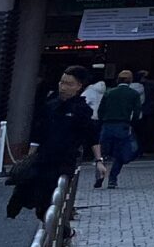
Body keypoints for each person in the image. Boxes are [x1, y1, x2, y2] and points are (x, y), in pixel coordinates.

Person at [7, 72, 95, 218]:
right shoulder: (50, 105)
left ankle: (63, 231)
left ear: (79, 86)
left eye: (69, 84)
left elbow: (91, 135)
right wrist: (30, 156)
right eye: (62, 82)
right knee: (33, 194)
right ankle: (58, 229)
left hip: (64, 160)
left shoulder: (82, 109)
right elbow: (38, 132)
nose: (63, 87)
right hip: (44, 157)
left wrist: (99, 160)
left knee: (48, 201)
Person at [93, 69, 144, 188]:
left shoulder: (109, 93)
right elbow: (137, 112)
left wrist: (102, 121)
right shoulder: (134, 94)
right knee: (120, 154)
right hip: (123, 126)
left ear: (117, 80)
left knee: (102, 153)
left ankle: (99, 176)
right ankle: (112, 179)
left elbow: (101, 110)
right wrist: (133, 123)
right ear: (131, 80)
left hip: (107, 125)